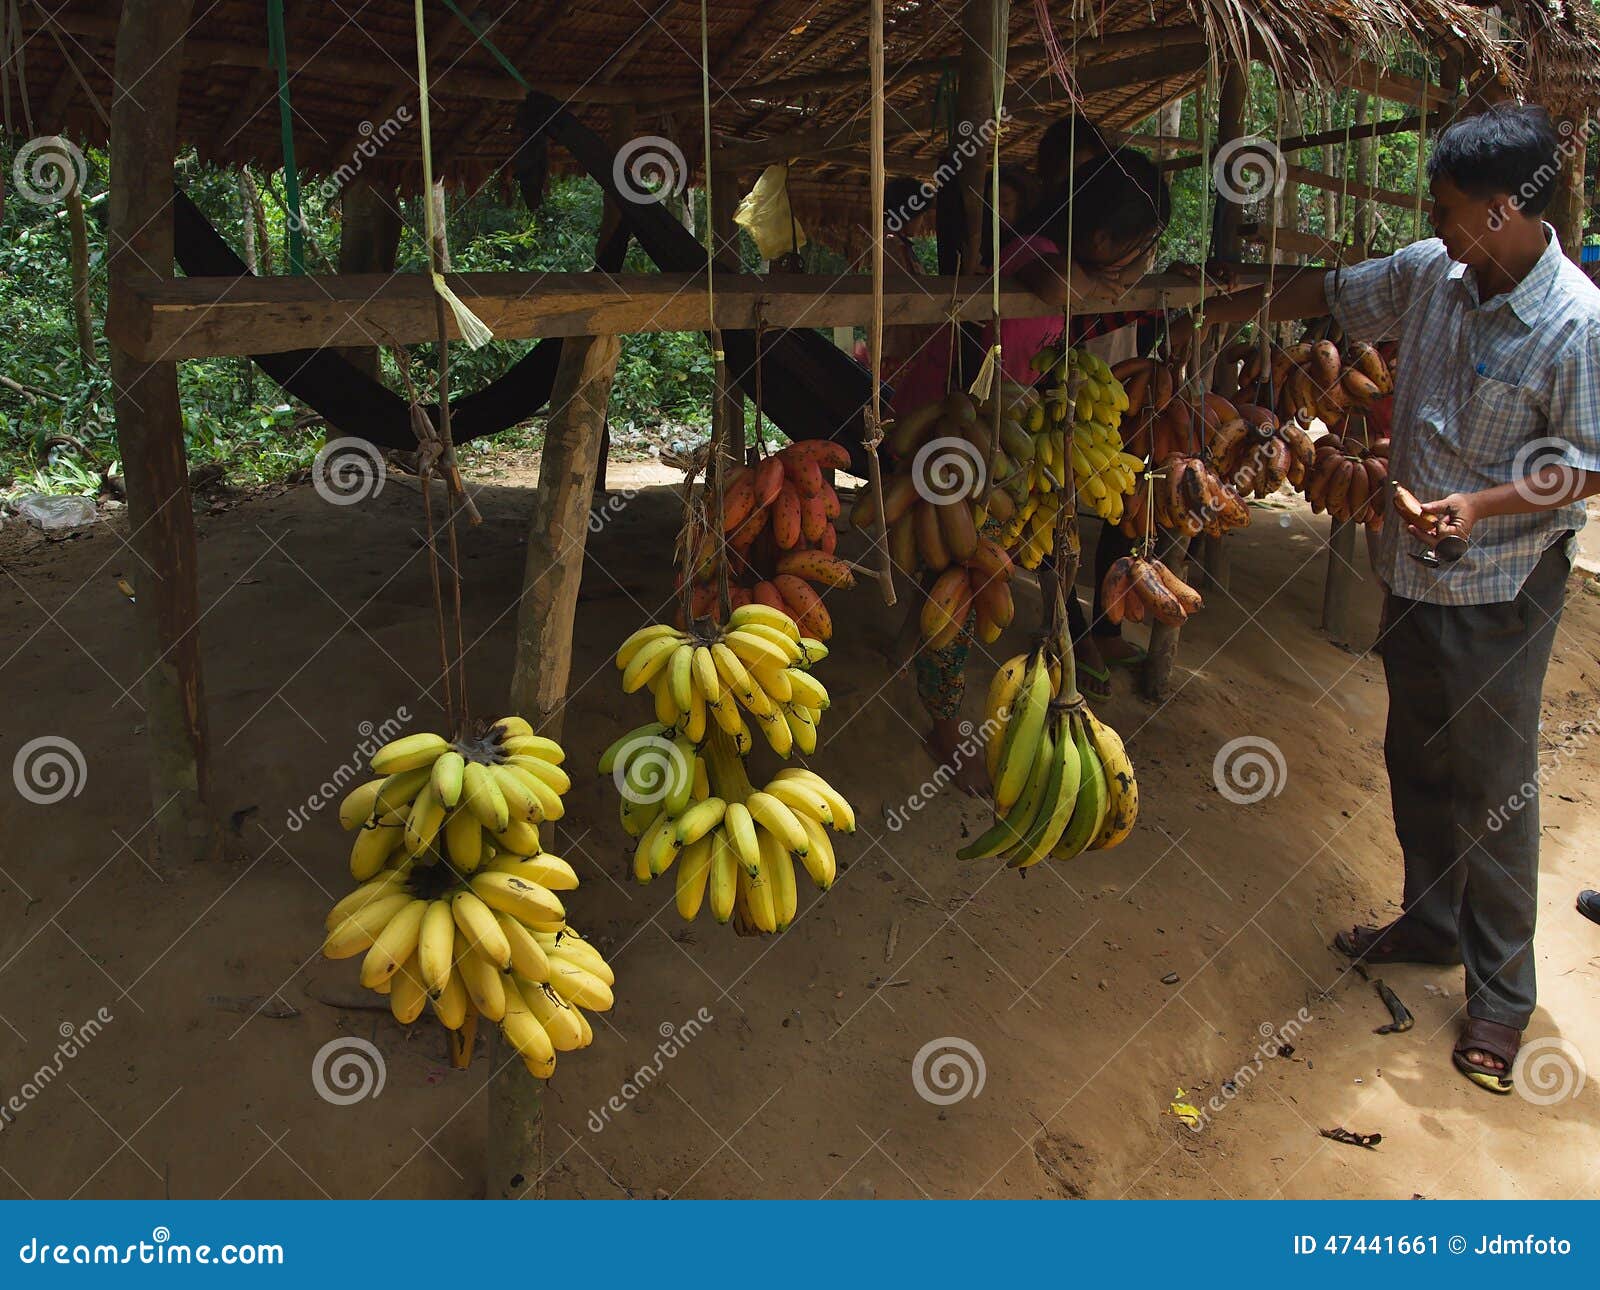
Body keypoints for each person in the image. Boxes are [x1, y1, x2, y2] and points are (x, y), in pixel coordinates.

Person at [1207, 103, 1600, 1094]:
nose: (1441, 224)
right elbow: (1331, 295)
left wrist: (1479, 505)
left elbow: (1590, 466)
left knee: (1493, 784)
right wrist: (1201, 307)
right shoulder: (1437, 272)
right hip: (1413, 573)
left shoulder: (1573, 323)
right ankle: (1429, 924)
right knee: (1413, 753)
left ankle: (1502, 1000)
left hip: (1501, 584)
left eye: (1455, 209)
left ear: (1509, 209)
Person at [897, 143, 1199, 791]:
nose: (1139, 261)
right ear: (1098, 236)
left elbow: (1082, 311)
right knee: (951, 576)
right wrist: (1115, 279)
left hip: (994, 431)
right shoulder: (1036, 257)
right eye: (1138, 246)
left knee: (964, 569)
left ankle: (936, 669)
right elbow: (1057, 287)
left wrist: (1148, 287)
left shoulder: (1064, 264)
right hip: (950, 429)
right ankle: (944, 730)